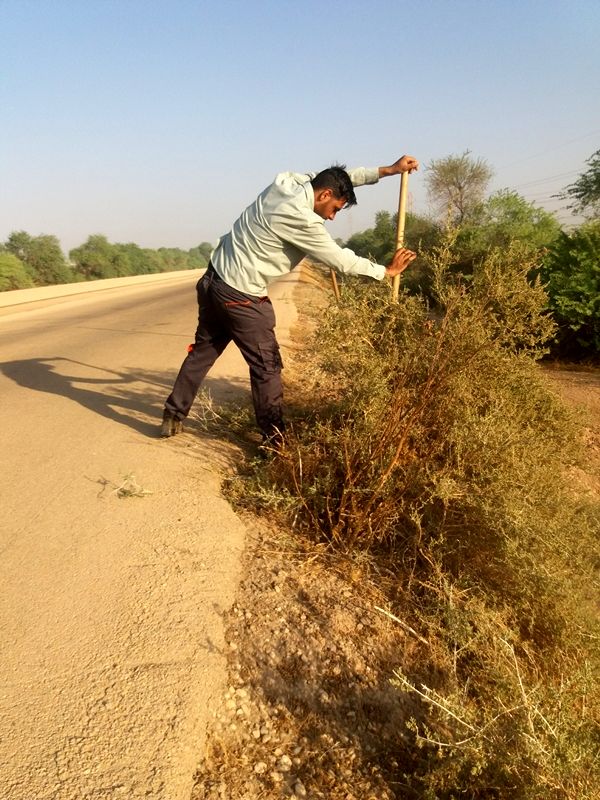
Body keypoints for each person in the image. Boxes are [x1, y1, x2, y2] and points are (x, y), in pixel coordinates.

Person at [160, 154, 419, 444]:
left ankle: (172, 415)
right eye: (335, 208)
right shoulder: (302, 219)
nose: (332, 216)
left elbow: (332, 176)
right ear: (324, 195)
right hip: (241, 297)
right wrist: (386, 271)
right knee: (267, 368)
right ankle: (274, 441)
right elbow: (340, 259)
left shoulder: (287, 183)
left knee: (202, 353)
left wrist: (387, 171)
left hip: (212, 281)